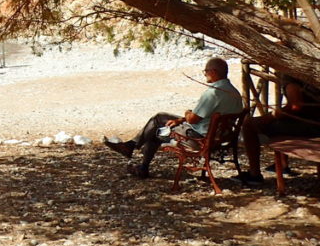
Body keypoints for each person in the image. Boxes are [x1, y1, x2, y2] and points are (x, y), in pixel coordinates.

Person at [103, 57, 243, 178]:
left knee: (157, 122)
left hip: (200, 138)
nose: (205, 74)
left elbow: (193, 119)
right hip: (221, 137)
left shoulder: (213, 93)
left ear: (213, 72)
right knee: (157, 128)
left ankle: (132, 149)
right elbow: (205, 116)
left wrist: (187, 113)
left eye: (206, 71)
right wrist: (180, 120)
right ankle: (138, 159)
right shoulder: (234, 92)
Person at [238, 74, 320, 185]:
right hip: (312, 122)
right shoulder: (309, 70)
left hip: (309, 126)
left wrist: (272, 116)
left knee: (249, 124)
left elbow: (295, 106)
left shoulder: (291, 75)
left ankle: (254, 174)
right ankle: (283, 164)